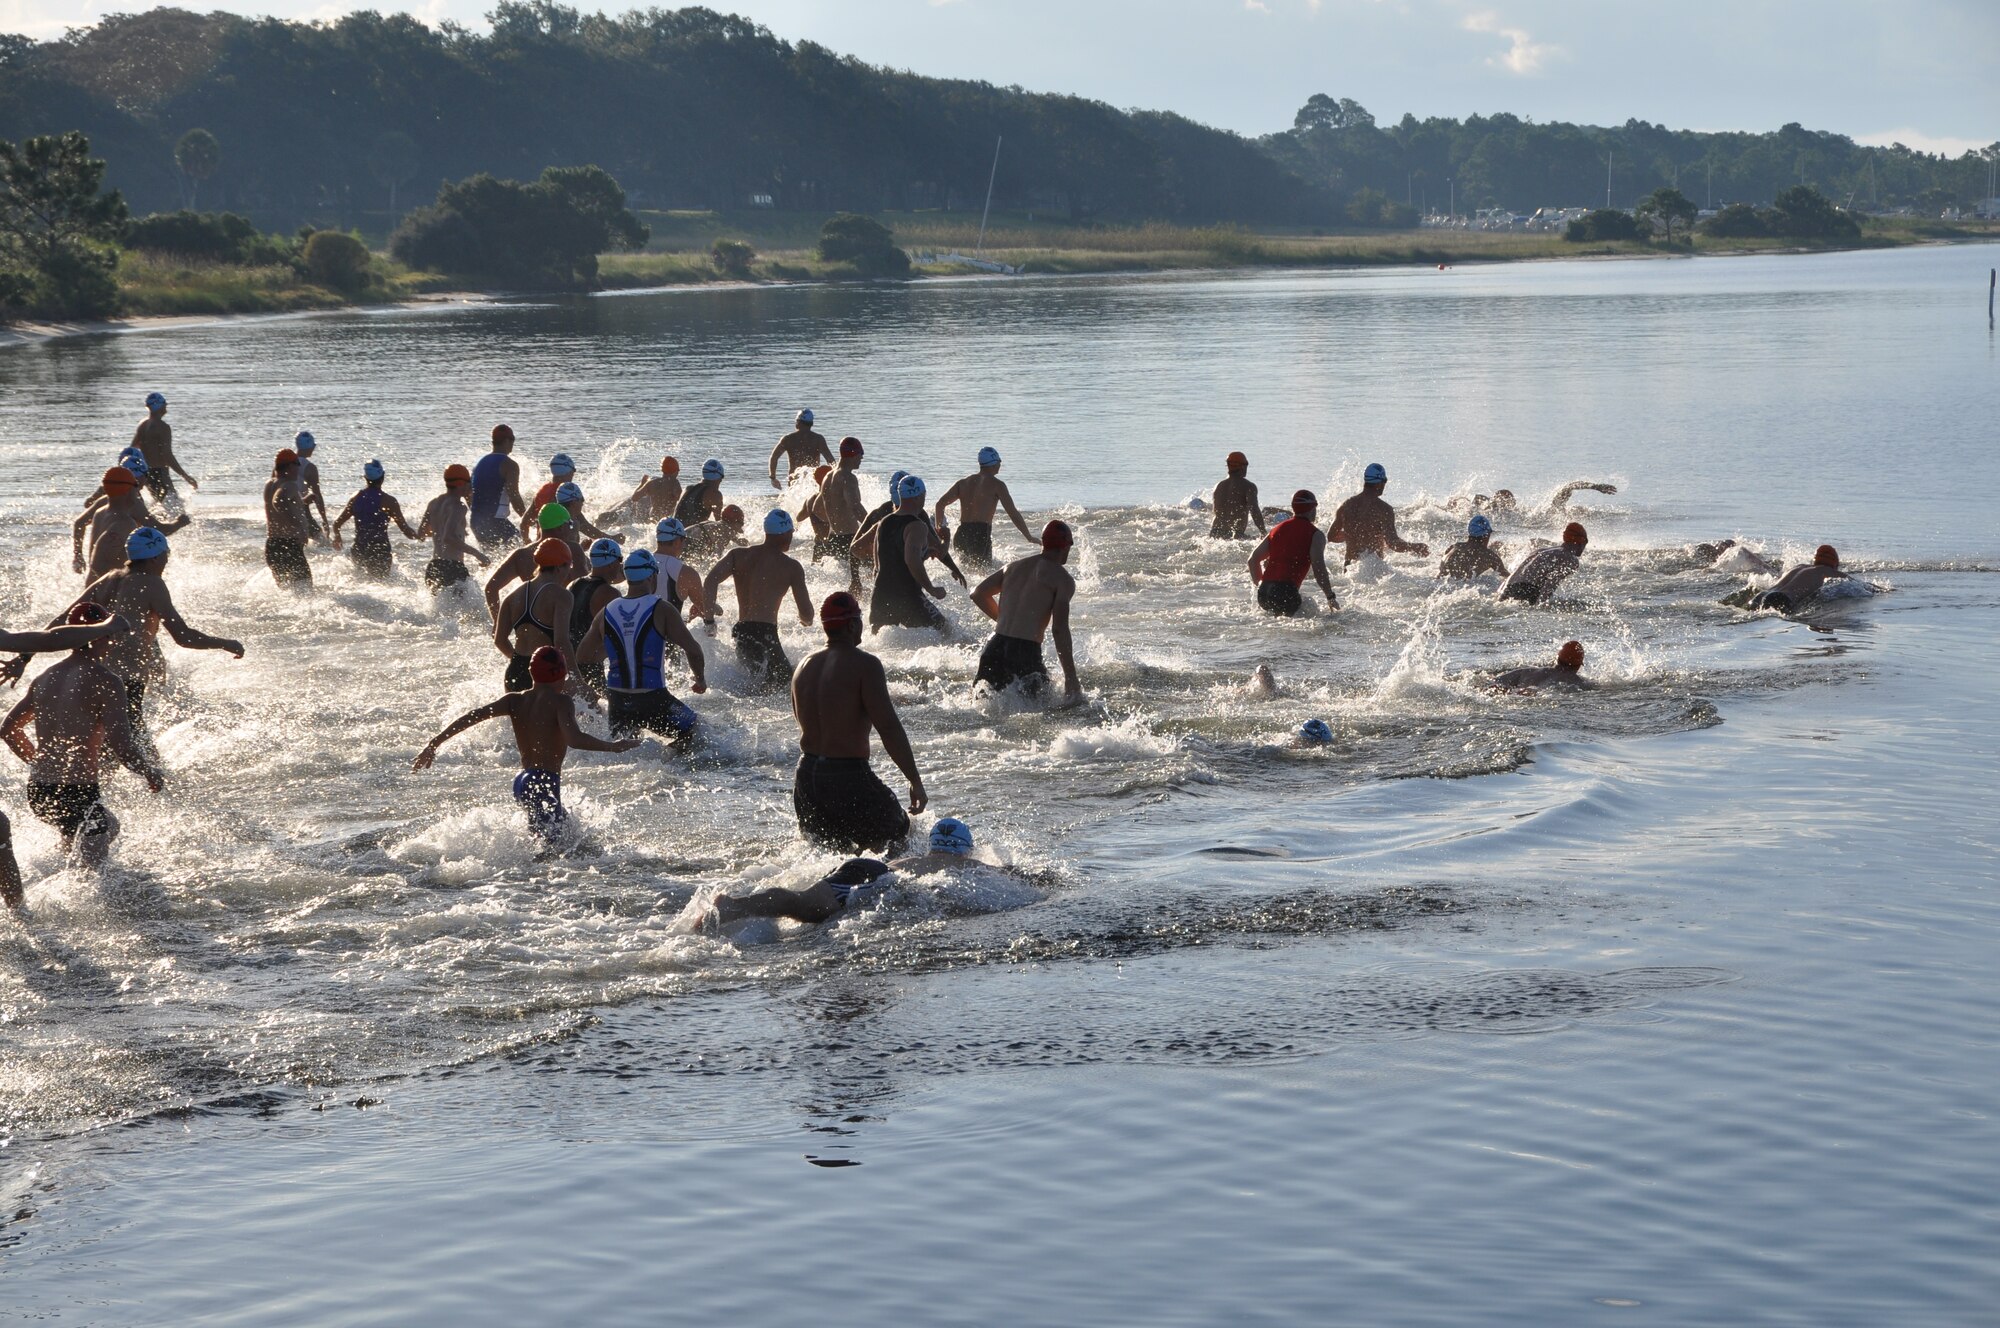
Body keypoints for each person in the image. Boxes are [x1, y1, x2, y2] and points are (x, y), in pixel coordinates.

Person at [32, 527, 245, 754]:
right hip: (122, 684)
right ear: (155, 557)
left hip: (91, 676)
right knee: (141, 758)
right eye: (166, 554)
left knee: (98, 752)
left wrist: (25, 655)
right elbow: (183, 637)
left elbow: (63, 618)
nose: (166, 560)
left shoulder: (109, 578)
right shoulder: (152, 583)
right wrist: (225, 643)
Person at [412, 645, 642, 843]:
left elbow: (473, 716)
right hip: (544, 781)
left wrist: (434, 743)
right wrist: (612, 746)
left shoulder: (515, 700)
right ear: (561, 674)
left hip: (523, 781)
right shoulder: (561, 702)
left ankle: (529, 884)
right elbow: (574, 739)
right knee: (551, 848)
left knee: (555, 837)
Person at [2, 604, 166, 871]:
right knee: (97, 874)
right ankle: (62, 903)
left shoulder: (46, 676)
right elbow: (122, 745)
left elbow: (8, 729)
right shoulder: (107, 681)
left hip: (39, 790)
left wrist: (37, 761)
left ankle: (54, 876)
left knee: (104, 829)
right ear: (101, 635)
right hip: (76, 791)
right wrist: (148, 771)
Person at [790, 590, 926, 853]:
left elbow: (801, 718)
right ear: (852, 624)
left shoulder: (803, 665)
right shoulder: (866, 665)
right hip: (847, 776)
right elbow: (888, 727)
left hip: (806, 777)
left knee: (831, 853)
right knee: (896, 837)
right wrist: (915, 781)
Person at [706, 817, 977, 926]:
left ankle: (736, 907)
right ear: (966, 849)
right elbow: (1008, 877)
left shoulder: (918, 859)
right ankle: (732, 907)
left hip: (866, 868)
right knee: (803, 906)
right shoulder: (963, 864)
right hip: (870, 876)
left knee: (802, 903)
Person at [575, 549, 708, 746]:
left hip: (618, 700)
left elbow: (583, 657)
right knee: (698, 731)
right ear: (652, 575)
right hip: (653, 699)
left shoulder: (606, 612)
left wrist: (605, 683)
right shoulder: (661, 608)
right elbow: (694, 650)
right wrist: (700, 680)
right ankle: (669, 766)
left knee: (630, 750)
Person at [701, 509, 813, 693]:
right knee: (787, 685)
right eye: (791, 533)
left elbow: (710, 580)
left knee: (753, 684)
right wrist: (806, 621)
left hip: (741, 631)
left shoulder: (738, 555)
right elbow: (807, 614)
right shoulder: (791, 566)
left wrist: (709, 620)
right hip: (765, 634)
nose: (792, 537)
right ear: (785, 533)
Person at [970, 520, 1082, 704]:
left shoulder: (1012, 567)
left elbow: (978, 593)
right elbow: (1059, 630)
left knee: (984, 711)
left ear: (1044, 543)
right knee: (1045, 713)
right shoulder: (1063, 580)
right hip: (1024, 652)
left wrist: (1004, 620)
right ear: (1066, 546)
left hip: (993, 647)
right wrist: (1071, 677)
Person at [857, 475, 954, 635]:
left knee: (882, 643)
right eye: (924, 495)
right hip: (907, 596)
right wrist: (931, 589)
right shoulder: (917, 526)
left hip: (880, 596)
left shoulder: (884, 522)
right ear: (918, 497)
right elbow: (911, 560)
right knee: (946, 632)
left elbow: (880, 564)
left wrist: (924, 553)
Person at [77, 465, 189, 581]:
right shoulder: (124, 523)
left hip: (93, 587)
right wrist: (179, 523)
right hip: (105, 594)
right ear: (127, 490)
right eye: (135, 485)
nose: (138, 490)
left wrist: (78, 555)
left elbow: (79, 524)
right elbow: (98, 566)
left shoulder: (100, 511)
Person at [493, 538, 575, 692]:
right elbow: (561, 641)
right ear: (559, 567)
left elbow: (499, 640)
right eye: (568, 566)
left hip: (515, 670)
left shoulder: (512, 596)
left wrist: (520, 662)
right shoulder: (562, 596)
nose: (569, 571)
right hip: (545, 673)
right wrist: (576, 678)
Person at [935, 446, 1037, 569]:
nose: (1001, 464)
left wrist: (939, 531)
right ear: (994, 463)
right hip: (980, 534)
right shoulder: (997, 485)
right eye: (1000, 461)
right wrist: (1028, 537)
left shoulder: (963, 482)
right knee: (982, 575)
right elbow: (1013, 513)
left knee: (964, 573)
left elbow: (939, 505)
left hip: (962, 533)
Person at [485, 504, 586, 621]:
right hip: (564, 619)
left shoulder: (521, 555)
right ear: (560, 528)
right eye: (570, 524)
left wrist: (497, 623)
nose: (571, 528)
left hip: (532, 621)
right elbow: (585, 587)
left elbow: (490, 588)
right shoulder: (573, 549)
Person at [1247, 490, 1338, 616]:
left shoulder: (1277, 529)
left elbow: (1253, 560)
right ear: (1312, 509)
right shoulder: (1315, 534)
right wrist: (1330, 596)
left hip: (1264, 593)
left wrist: (1261, 585)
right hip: (1286, 592)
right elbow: (1319, 569)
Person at [331, 459, 422, 579]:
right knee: (381, 584)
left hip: (359, 548)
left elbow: (336, 524)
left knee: (362, 582)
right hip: (380, 549)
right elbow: (406, 530)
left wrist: (338, 537)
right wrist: (420, 535)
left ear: (365, 477)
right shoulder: (389, 501)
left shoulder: (356, 498)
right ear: (383, 477)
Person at [1328, 463, 1430, 566]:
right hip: (1373, 568)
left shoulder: (1346, 506)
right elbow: (1393, 543)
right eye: (1385, 481)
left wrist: (1351, 536)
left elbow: (1331, 536)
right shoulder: (1384, 509)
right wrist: (1414, 547)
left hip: (1350, 567)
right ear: (1380, 483)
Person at [417, 464, 493, 593]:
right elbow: (448, 538)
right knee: (467, 612)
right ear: (461, 484)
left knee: (439, 611)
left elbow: (421, 534)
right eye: (469, 483)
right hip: (452, 568)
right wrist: (478, 554)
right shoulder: (458, 506)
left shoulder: (433, 503)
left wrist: (445, 531)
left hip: (434, 566)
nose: (470, 487)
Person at [263, 448, 325, 591]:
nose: (298, 469)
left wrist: (302, 501)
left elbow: (282, 506)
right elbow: (278, 502)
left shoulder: (270, 484)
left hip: (272, 546)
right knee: (306, 590)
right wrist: (299, 528)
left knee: (286, 591)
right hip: (288, 546)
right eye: (297, 464)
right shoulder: (289, 485)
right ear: (290, 466)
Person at [569, 539, 625, 695]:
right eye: (619, 560)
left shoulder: (575, 584)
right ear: (610, 563)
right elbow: (620, 639)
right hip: (590, 666)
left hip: (568, 664)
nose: (620, 566)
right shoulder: (610, 594)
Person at [131, 391, 199, 516]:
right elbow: (167, 456)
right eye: (164, 405)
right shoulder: (163, 427)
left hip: (146, 474)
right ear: (159, 407)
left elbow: (133, 448)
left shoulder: (143, 424)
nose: (166, 407)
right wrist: (186, 476)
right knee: (177, 512)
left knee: (162, 506)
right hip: (159, 473)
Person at [816, 441, 868, 588]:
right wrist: (876, 526)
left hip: (834, 539)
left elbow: (817, 509)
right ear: (853, 454)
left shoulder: (827, 477)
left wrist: (836, 520)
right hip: (850, 539)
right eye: (861, 454)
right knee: (868, 580)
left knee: (841, 584)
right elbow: (856, 508)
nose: (861, 459)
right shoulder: (848, 478)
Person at [469, 424, 528, 549]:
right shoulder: (510, 465)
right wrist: (527, 518)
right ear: (507, 440)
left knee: (491, 559)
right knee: (521, 552)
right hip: (495, 521)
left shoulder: (480, 463)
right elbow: (514, 495)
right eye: (512, 440)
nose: (513, 444)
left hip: (475, 521)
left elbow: (468, 493)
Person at [1501, 522, 1588, 605]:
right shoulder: (1571, 559)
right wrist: (1540, 606)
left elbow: (1514, 575)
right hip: (1527, 589)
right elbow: (1552, 583)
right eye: (1586, 542)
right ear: (1581, 540)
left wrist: (1500, 597)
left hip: (1507, 589)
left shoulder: (1541, 551)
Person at [1747, 544, 1852, 612]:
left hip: (1762, 595)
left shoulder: (1799, 567)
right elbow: (1857, 585)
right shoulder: (1829, 571)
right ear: (1835, 565)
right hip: (1781, 599)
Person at [651, 518, 711, 621]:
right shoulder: (686, 573)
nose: (684, 544)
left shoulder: (639, 563)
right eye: (683, 539)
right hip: (667, 634)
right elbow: (706, 610)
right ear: (677, 542)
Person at [1485, 639, 1597, 692]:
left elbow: (1494, 682)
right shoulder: (1580, 682)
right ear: (1578, 665)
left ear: (1557, 659)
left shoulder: (1527, 671)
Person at [528, 479, 615, 546]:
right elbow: (567, 553)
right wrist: (613, 539)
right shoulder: (570, 525)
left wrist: (582, 547)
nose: (583, 503)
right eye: (582, 499)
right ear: (574, 503)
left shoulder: (553, 514)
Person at [604, 455, 682, 525]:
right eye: (678, 470)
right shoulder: (675, 483)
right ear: (675, 471)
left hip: (652, 520)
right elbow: (679, 499)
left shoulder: (651, 483)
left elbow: (634, 498)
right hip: (668, 520)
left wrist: (642, 484)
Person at [1208, 451, 1266, 540]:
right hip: (1235, 535)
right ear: (1243, 466)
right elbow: (1254, 510)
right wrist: (1263, 532)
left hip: (1214, 534)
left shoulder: (1218, 486)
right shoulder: (1248, 486)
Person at [769, 409, 833, 488]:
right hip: (813, 480)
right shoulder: (818, 439)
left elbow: (774, 457)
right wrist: (833, 478)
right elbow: (830, 461)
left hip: (794, 481)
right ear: (811, 424)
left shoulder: (788, 439)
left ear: (798, 423)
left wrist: (773, 478)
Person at [1438, 514, 1509, 581]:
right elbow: (1508, 579)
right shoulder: (1489, 556)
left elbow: (1441, 569)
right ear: (1486, 535)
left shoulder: (1453, 547)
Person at [293, 431, 333, 543]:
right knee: (323, 542)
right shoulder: (310, 468)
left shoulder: (285, 463)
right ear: (310, 447)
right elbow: (317, 495)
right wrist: (324, 519)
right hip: (302, 509)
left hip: (285, 507)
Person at [682, 504, 748, 561]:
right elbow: (716, 558)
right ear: (734, 523)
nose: (741, 528)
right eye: (741, 523)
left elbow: (731, 535)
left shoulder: (719, 525)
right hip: (686, 544)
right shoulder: (725, 533)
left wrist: (738, 541)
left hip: (679, 538)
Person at [676, 458, 727, 525]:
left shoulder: (688, 488)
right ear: (719, 478)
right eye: (721, 479)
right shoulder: (715, 494)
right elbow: (719, 523)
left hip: (675, 528)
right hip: (688, 533)